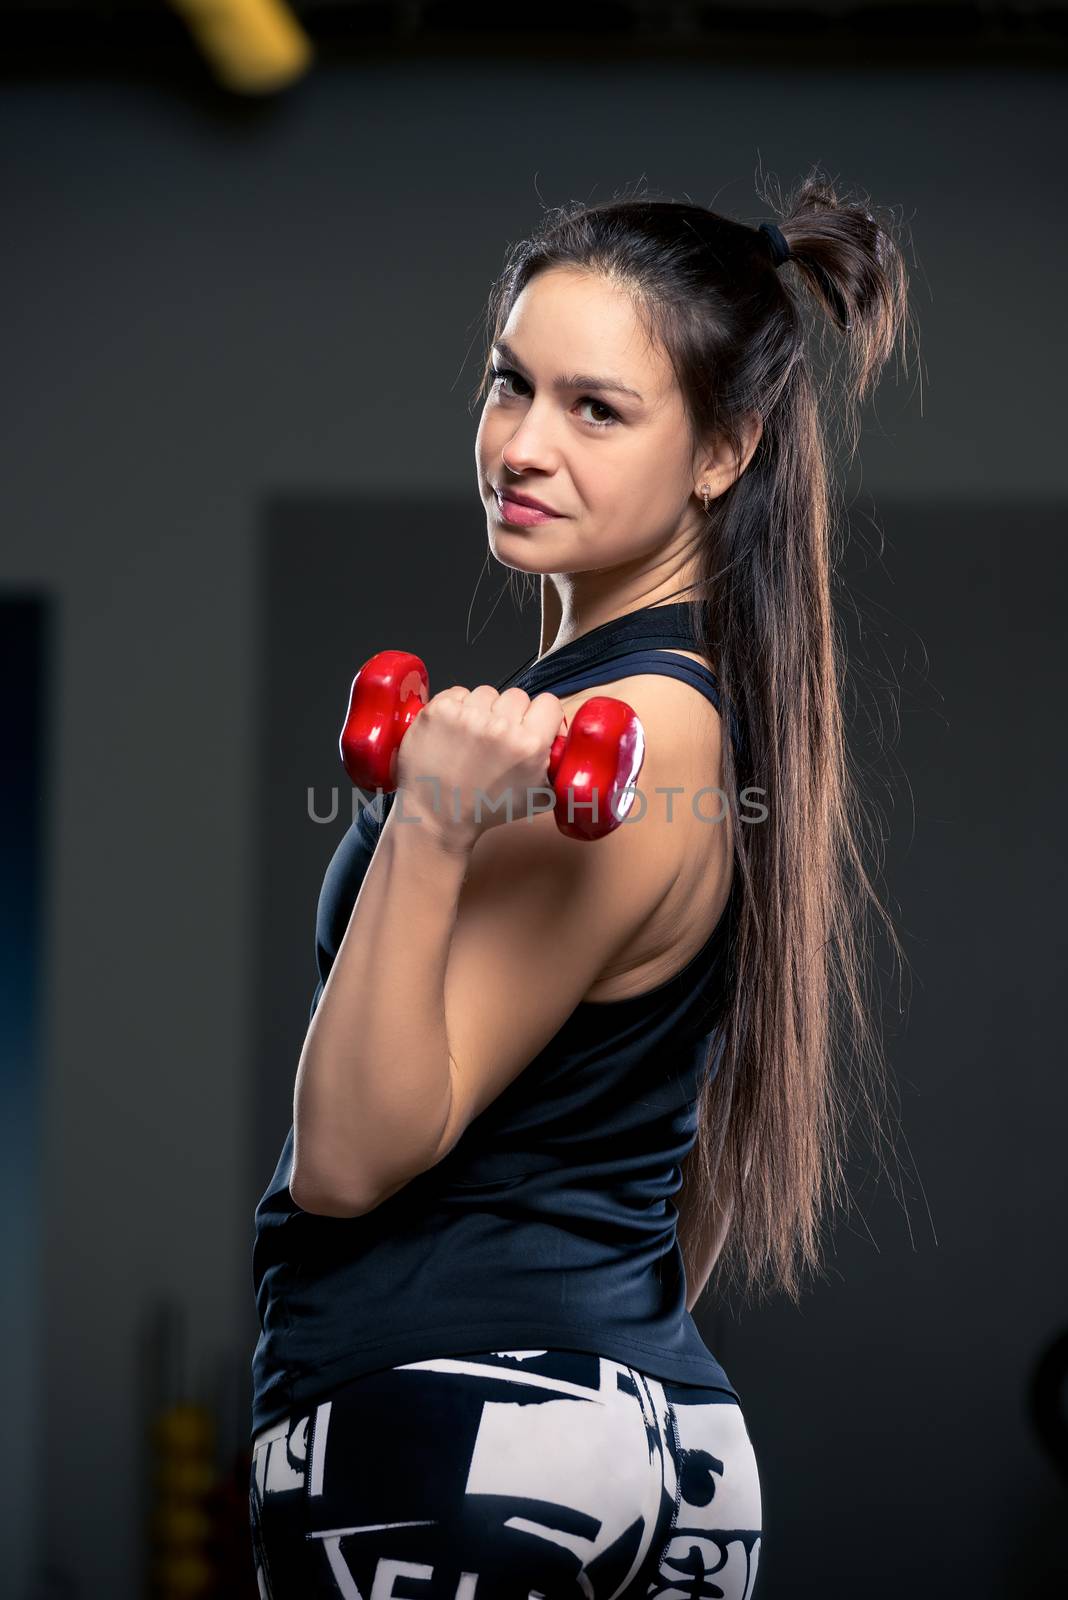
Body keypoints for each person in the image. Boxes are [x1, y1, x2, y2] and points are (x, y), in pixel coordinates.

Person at [249, 175, 914, 1598]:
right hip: (636, 1438)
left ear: (723, 451)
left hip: (460, 1434)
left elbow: (355, 1158)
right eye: (509, 386)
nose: (523, 445)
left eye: (596, 409)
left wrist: (427, 819)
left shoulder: (631, 735)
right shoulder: (682, 712)